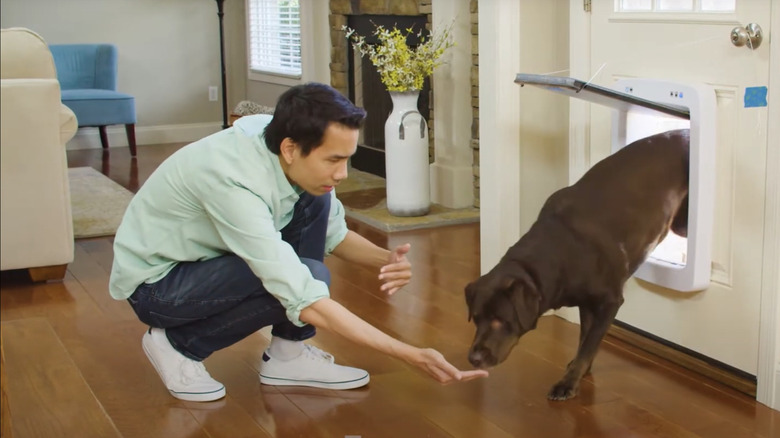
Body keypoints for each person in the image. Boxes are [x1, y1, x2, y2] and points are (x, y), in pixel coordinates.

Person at [108, 82, 488, 402]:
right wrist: (408, 353)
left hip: (207, 262)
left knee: (316, 204)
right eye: (333, 160)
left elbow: (333, 234)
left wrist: (385, 259)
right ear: (291, 149)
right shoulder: (232, 180)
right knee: (306, 275)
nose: (342, 174)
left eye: (347, 159)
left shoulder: (282, 141)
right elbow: (300, 293)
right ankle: (178, 344)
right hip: (159, 286)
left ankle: (287, 354)